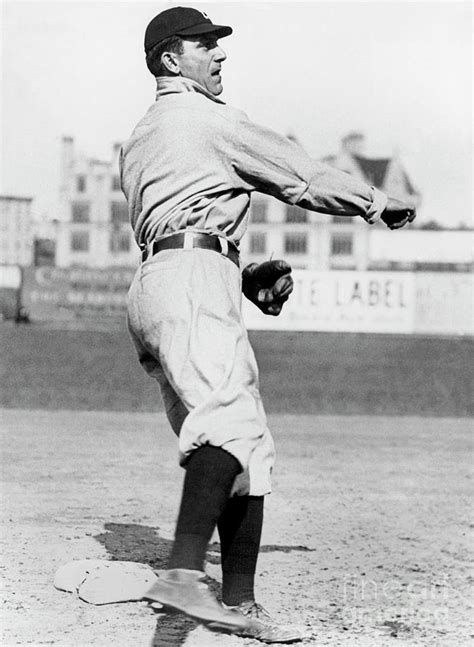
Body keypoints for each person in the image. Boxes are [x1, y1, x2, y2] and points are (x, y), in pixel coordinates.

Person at [120, 6, 416, 642]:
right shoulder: (208, 119)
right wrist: (376, 202)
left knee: (241, 448)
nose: (220, 56)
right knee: (227, 426)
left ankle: (239, 604)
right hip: (191, 284)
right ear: (172, 61)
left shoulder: (144, 134)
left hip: (162, 285)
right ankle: (180, 577)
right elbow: (301, 176)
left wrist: (240, 274)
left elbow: (180, 222)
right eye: (205, 46)